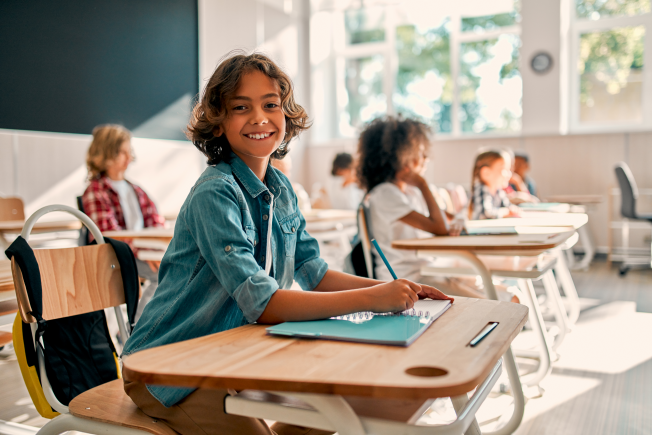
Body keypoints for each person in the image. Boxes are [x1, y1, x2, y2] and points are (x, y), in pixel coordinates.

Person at [120, 52, 452, 435]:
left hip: (233, 357)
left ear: (285, 115)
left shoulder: (283, 190)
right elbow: (263, 304)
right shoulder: (216, 193)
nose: (259, 117)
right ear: (218, 123)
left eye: (271, 105)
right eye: (240, 107)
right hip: (168, 369)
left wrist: (397, 290)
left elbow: (315, 272)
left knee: (352, 404)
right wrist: (373, 299)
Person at [357, 116, 496, 299]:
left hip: (430, 269)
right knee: (492, 300)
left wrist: (458, 222)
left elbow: (452, 218)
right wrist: (423, 184)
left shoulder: (411, 193)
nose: (426, 159)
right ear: (401, 157)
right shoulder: (385, 194)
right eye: (420, 153)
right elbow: (439, 228)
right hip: (407, 279)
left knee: (502, 292)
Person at [82, 124, 164, 322]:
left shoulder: (135, 190)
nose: (129, 158)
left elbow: (155, 220)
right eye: (122, 152)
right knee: (162, 274)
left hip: (139, 252)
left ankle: (147, 327)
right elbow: (109, 234)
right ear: (106, 153)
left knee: (173, 266)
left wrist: (154, 250)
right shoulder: (95, 191)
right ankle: (138, 330)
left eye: (130, 152)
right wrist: (144, 252)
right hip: (115, 255)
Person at [469, 150, 522, 220]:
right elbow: (485, 213)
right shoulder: (482, 189)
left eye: (509, 170)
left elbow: (508, 206)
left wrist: (513, 210)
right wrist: (505, 212)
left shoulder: (498, 191)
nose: (509, 174)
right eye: (503, 169)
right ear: (486, 173)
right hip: (482, 230)